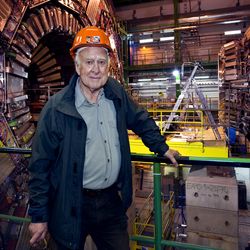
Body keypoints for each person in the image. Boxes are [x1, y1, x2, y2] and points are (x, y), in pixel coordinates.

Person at [28, 26, 180, 250]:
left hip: (111, 202)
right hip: (70, 204)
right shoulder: (57, 108)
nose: (96, 69)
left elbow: (140, 118)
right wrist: (39, 215)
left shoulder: (115, 93)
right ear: (77, 66)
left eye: (101, 62)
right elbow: (40, 165)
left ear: (108, 65)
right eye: (89, 62)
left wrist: (162, 148)